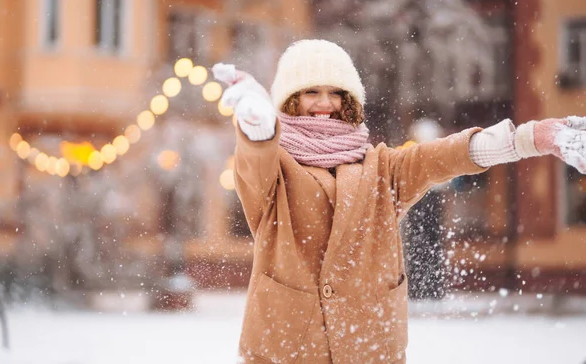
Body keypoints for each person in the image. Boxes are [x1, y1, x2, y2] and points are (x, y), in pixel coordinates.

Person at [212, 39, 586, 364]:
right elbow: (253, 166)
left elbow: (447, 155)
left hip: (370, 348)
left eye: (337, 92)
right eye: (311, 91)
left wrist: (531, 137)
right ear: (290, 100)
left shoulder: (383, 168)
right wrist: (257, 132)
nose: (325, 102)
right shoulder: (274, 169)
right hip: (286, 348)